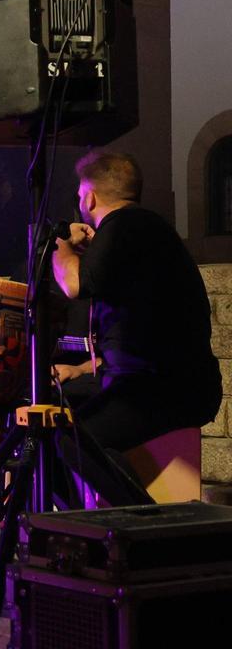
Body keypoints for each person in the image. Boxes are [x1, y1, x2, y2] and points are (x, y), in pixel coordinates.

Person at [52, 150, 222, 505]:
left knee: (70, 439)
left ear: (89, 196)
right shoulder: (143, 230)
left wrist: (61, 247)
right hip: (171, 382)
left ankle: (145, 528)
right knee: (52, 423)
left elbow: (74, 285)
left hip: (163, 389)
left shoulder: (124, 226)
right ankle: (82, 528)